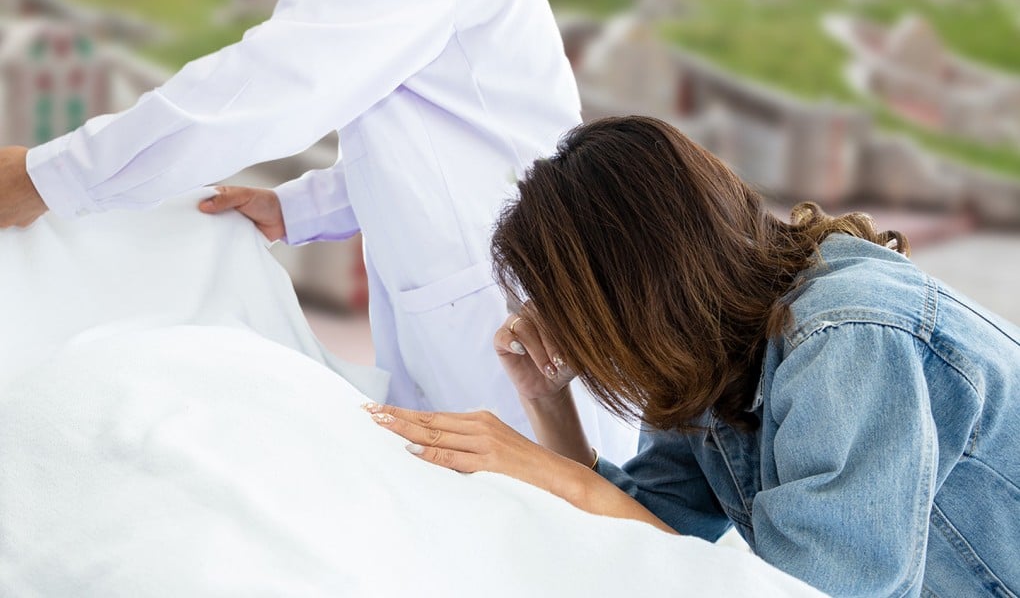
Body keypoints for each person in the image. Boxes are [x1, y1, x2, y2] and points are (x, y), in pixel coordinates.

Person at [0, 0, 634, 457]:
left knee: (544, 517)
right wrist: (297, 208)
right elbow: (442, 136)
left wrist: (51, 176)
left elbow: (261, 89)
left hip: (509, 310)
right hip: (481, 297)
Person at [365, 116, 1020, 598]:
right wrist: (547, 402)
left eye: (576, 307)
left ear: (637, 288)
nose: (576, 336)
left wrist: (554, 475)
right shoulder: (718, 353)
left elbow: (813, 593)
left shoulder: (847, 338)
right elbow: (653, 528)